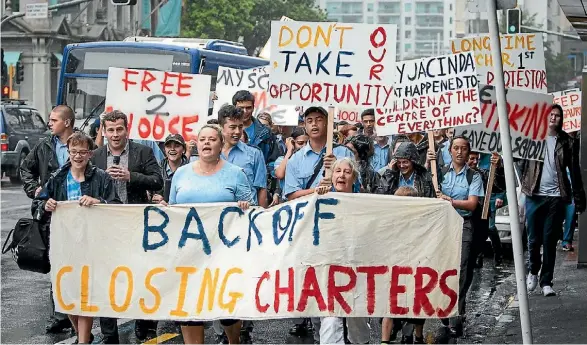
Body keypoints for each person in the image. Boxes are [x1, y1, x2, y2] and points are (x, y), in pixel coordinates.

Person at [162, 124, 255, 345]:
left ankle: (233, 340)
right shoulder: (181, 174)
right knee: (189, 305)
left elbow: (251, 212)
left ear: (221, 144)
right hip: (188, 254)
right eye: (202, 139)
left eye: (212, 139)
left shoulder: (236, 174)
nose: (206, 143)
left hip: (223, 254)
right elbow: (174, 210)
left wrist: (244, 206)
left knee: (225, 308)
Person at [32, 132, 121, 344]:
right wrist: (45, 205)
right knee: (65, 295)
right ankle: (83, 335)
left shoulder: (101, 177)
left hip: (92, 245)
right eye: (73, 152)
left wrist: (98, 201)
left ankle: (82, 341)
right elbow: (36, 205)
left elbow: (116, 205)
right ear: (68, 153)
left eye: (82, 152)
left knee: (85, 293)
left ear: (90, 154)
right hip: (65, 245)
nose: (78, 156)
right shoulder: (58, 178)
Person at [90, 110, 164, 343]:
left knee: (140, 275)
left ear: (127, 129)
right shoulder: (96, 156)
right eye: (110, 130)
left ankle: (144, 324)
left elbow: (157, 180)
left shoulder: (143, 152)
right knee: (106, 279)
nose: (114, 134)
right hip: (106, 226)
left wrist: (131, 176)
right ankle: (109, 334)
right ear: (104, 131)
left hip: (136, 224)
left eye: (119, 129)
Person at [20, 104, 76, 333]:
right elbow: (26, 169)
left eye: (54, 120)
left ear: (67, 122)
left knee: (78, 264)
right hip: (50, 213)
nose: (49, 123)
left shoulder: (81, 144)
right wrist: (35, 190)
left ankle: (77, 314)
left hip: (77, 213)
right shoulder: (44, 145)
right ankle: (58, 314)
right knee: (56, 262)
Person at [520, 104, 586, 297]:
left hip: (556, 197)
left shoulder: (567, 141)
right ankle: (533, 270)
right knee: (533, 239)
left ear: (561, 118)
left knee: (549, 239)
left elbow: (574, 171)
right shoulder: (532, 136)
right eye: (551, 114)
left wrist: (579, 198)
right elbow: (519, 161)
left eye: (557, 115)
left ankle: (546, 281)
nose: (553, 118)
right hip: (534, 194)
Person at [314, 157, 370, 344]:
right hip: (328, 270)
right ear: (331, 176)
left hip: (357, 269)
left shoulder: (365, 203)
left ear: (353, 178)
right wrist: (316, 196)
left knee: (358, 319)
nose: (342, 175)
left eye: (347, 172)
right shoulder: (319, 201)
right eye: (338, 171)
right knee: (330, 321)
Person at [432, 136, 484, 337]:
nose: (460, 152)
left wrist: (450, 201)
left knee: (461, 269)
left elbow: (472, 204)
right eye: (456, 148)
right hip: (443, 224)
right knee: (442, 266)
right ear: (450, 151)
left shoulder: (474, 176)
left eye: (463, 148)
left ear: (468, 151)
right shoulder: (441, 173)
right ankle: (443, 306)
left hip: (464, 224)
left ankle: (457, 313)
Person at [380, 185, 428, 344]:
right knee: (390, 305)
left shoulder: (422, 222)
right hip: (394, 268)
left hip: (413, 267)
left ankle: (417, 336)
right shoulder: (389, 222)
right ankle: (385, 340)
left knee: (416, 303)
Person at [284, 106, 356, 202]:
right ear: (305, 126)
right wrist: (317, 190)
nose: (314, 124)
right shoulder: (295, 159)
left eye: (319, 120)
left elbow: (357, 188)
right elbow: (291, 196)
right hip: (309, 214)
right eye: (309, 121)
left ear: (327, 123)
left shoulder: (345, 153)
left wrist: (337, 169)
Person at [218, 104, 268, 208]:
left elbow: (262, 189)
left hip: (246, 216)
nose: (237, 132)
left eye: (240, 127)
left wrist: (261, 216)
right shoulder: (212, 154)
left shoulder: (255, 154)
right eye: (232, 127)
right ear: (221, 128)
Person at [232, 90, 280, 165]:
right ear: (234, 107)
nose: (245, 111)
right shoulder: (226, 131)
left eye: (248, 108)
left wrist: (264, 172)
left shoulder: (265, 132)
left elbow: (273, 160)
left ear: (253, 108)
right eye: (241, 108)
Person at [151, 134, 190, 203]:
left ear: (183, 149)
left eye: (177, 146)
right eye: (168, 146)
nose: (172, 149)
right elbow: (151, 193)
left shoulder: (191, 170)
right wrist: (155, 198)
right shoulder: (156, 169)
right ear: (164, 149)